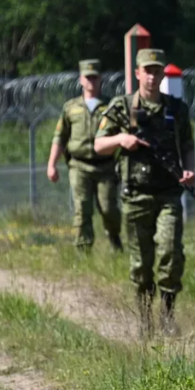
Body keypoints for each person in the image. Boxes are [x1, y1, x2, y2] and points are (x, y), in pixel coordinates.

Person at [93, 48, 195, 335]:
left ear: (162, 73)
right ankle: (144, 320)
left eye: (156, 70)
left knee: (171, 254)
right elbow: (99, 145)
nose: (152, 76)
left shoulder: (176, 109)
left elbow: (187, 145)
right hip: (135, 194)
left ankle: (167, 316)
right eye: (147, 70)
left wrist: (189, 171)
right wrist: (122, 139)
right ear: (137, 73)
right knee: (141, 264)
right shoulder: (121, 106)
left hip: (168, 193)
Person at [47, 59, 122, 251]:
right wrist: (52, 164)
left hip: (106, 166)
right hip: (79, 166)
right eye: (87, 77)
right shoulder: (71, 107)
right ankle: (83, 248)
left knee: (109, 209)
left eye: (94, 77)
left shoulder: (111, 106)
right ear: (81, 80)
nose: (91, 81)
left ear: (100, 79)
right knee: (82, 208)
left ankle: (114, 239)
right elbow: (60, 137)